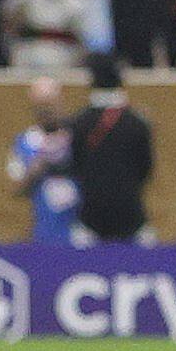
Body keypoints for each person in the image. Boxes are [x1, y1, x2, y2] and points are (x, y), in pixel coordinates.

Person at [66, 52, 156, 245]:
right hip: (131, 215)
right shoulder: (138, 123)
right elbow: (146, 169)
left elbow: (74, 166)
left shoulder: (78, 123)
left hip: (90, 216)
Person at [7, 77, 80, 246]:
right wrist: (33, 172)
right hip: (45, 233)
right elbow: (14, 187)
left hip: (81, 230)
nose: (46, 111)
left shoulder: (77, 136)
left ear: (60, 102)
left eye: (50, 105)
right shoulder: (25, 141)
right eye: (40, 107)